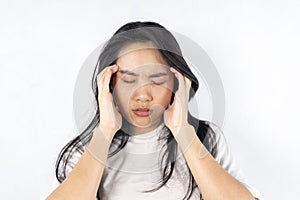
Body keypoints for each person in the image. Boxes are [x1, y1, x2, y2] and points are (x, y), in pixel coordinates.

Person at [46, 21, 263, 200]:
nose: (143, 95)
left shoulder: (206, 138)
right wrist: (104, 132)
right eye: (129, 80)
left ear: (176, 83)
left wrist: (183, 132)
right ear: (109, 85)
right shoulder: (87, 150)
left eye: (157, 80)